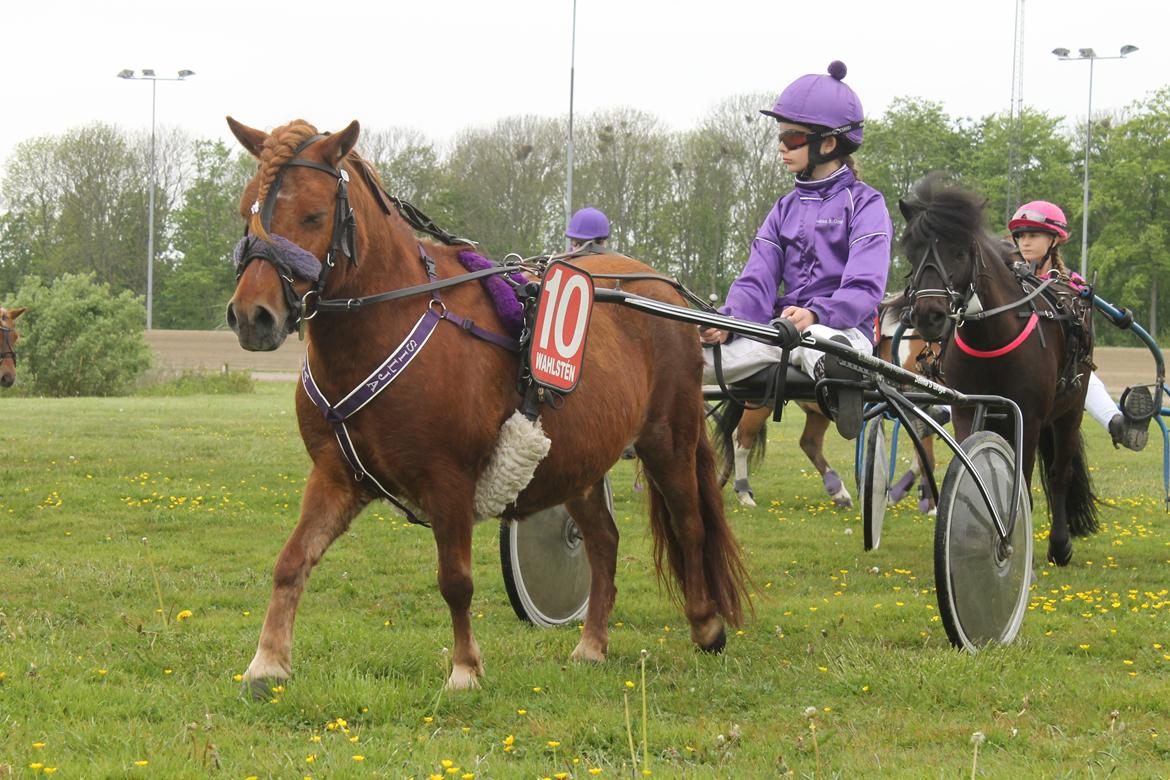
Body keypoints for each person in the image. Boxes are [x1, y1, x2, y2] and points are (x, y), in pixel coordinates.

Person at [700, 61, 892, 440]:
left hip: (842, 332)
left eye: (791, 138)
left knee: (821, 344)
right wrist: (727, 323)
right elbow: (756, 279)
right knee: (688, 362)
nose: (781, 147)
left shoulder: (867, 204)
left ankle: (843, 382)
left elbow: (865, 286)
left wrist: (817, 312)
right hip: (780, 334)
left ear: (828, 143)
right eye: (780, 137)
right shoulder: (783, 208)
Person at [1008, 201, 1148, 451]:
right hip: (1014, 366)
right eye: (1020, 236)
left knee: (1085, 377)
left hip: (1061, 368)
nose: (1025, 242)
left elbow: (1094, 308)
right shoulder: (1006, 280)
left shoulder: (1071, 282)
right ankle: (941, 412)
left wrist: (1119, 315)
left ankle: (1118, 425)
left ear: (1054, 240)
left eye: (1033, 235)